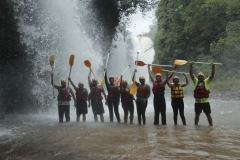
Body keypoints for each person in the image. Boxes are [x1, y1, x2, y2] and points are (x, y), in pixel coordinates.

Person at [189, 62, 215, 126]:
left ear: (203, 77)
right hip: (197, 102)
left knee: (208, 114)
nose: (200, 77)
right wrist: (191, 66)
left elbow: (212, 74)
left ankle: (211, 126)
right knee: (197, 115)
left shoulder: (207, 81)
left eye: (201, 76)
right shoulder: (195, 81)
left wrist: (213, 67)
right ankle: (196, 126)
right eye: (199, 76)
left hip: (205, 102)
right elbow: (191, 74)